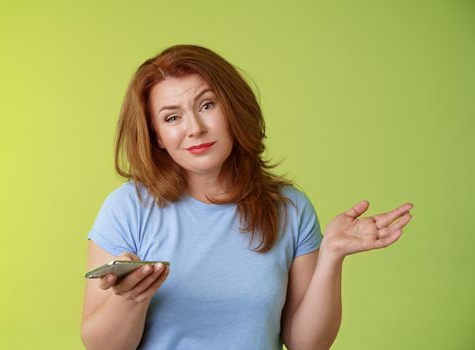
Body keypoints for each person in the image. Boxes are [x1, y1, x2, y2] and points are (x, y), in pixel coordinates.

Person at [80, 44, 414, 350]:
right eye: (172, 117)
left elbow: (307, 344)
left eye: (207, 105)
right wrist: (131, 298)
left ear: (233, 110)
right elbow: (100, 346)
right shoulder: (127, 208)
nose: (194, 127)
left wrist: (332, 255)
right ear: (158, 137)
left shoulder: (290, 208)